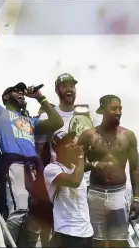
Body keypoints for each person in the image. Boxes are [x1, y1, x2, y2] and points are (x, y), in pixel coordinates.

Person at [0, 46, 64, 247]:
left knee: (34, 217)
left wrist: (40, 97)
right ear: (6, 97)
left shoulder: (31, 121)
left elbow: (57, 122)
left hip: (33, 168)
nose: (21, 93)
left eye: (22, 91)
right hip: (14, 165)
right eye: (16, 91)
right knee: (18, 212)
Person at [34, 73, 92, 246]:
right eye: (64, 86)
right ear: (57, 90)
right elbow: (39, 150)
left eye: (72, 86)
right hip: (59, 180)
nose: (69, 89)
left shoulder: (84, 118)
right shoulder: (49, 116)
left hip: (82, 180)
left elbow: (90, 150)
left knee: (81, 226)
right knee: (58, 229)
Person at [78, 95, 139, 247]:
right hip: (95, 194)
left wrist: (136, 198)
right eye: (114, 108)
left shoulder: (128, 136)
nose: (118, 112)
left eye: (120, 108)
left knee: (119, 242)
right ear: (103, 111)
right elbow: (74, 166)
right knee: (96, 242)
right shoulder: (88, 136)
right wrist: (94, 164)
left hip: (119, 194)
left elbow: (135, 168)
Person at [43, 131, 94, 248]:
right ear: (57, 149)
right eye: (67, 143)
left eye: (72, 141)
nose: (72, 144)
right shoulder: (51, 169)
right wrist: (81, 155)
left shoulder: (77, 169)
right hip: (67, 233)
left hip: (87, 233)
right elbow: (74, 182)